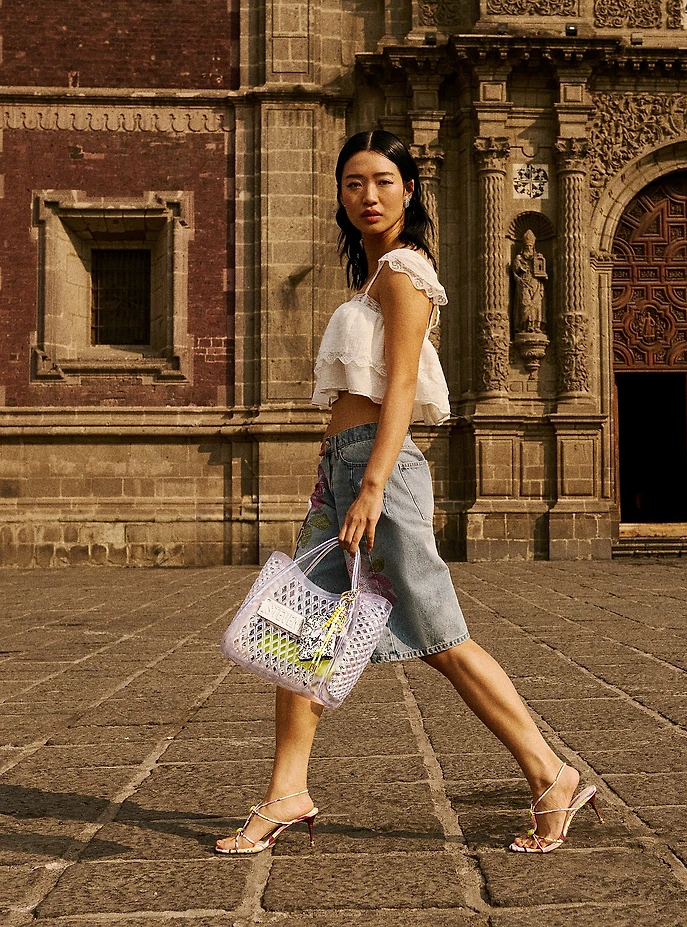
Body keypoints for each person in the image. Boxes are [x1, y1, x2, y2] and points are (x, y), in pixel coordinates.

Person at [216, 130, 602, 856]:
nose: (368, 195)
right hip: (347, 467)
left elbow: (397, 387)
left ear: (410, 191)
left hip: (381, 477)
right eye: (355, 182)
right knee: (297, 629)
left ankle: (551, 774)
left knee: (439, 636)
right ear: (339, 192)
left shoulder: (402, 269)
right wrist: (331, 470)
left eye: (384, 181)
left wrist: (367, 484)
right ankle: (287, 791)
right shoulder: (370, 275)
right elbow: (360, 395)